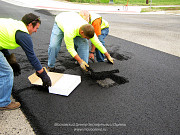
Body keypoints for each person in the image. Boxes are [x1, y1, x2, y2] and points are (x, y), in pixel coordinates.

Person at [0, 13, 52, 110]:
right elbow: (31, 56)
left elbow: (2, 41)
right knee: (6, 72)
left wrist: (10, 59)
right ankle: (3, 103)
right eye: (36, 28)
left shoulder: (15, 25)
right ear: (30, 24)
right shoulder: (23, 34)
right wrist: (43, 74)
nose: (36, 31)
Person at [48, 11, 113, 72]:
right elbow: (70, 48)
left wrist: (107, 55)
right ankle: (51, 66)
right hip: (60, 21)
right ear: (82, 32)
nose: (87, 39)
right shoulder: (69, 31)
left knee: (84, 44)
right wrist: (80, 61)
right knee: (54, 46)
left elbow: (97, 43)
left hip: (75, 22)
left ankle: (84, 68)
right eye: (86, 37)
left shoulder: (88, 29)